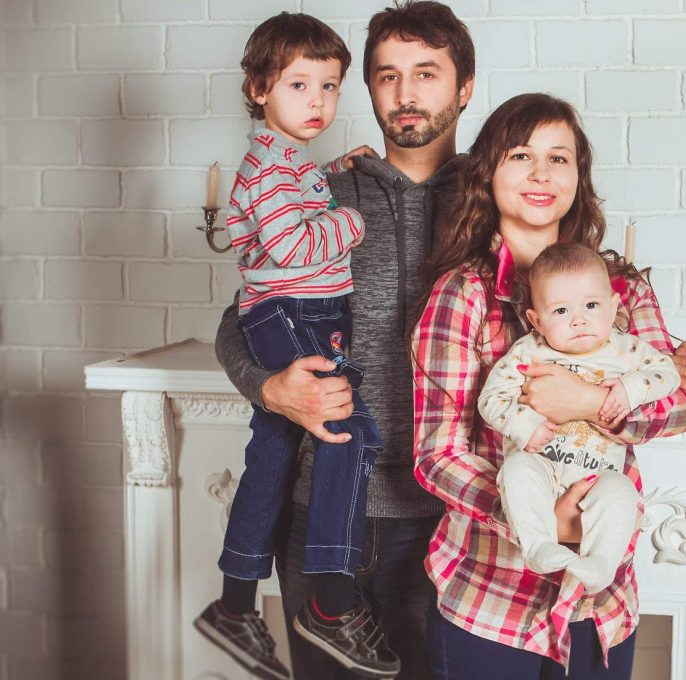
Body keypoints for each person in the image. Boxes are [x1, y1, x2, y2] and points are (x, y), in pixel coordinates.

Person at [214, 3, 477, 678]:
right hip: (322, 509)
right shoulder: (322, 189)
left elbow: (568, 308)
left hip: (449, 518)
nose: (406, 92)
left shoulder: (498, 197)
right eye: (387, 76)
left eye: (427, 73)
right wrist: (270, 388)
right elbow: (239, 319)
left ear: (465, 87)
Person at [412, 93, 686, 680]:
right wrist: (541, 518)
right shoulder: (462, 294)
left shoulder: (621, 289)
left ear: (579, 175)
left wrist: (594, 403)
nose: (542, 173)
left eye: (559, 157)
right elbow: (436, 454)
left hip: (603, 603)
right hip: (491, 593)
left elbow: (678, 404)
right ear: (488, 174)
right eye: (521, 155)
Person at [194, 12, 399, 680]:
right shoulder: (267, 168)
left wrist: (336, 170)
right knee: (351, 435)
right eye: (299, 85)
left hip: (297, 313)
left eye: (330, 87)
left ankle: (233, 603)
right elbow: (292, 243)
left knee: (274, 458)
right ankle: (331, 598)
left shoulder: (288, 163)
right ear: (258, 88)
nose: (318, 101)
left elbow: (294, 200)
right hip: (292, 317)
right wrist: (351, 220)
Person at [478, 242, 681, 595]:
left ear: (614, 306)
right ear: (536, 321)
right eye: (560, 310)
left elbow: (669, 374)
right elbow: (490, 399)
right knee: (517, 472)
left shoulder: (626, 350)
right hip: (542, 465)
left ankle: (601, 562)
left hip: (597, 473)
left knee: (621, 492)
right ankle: (539, 545)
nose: (579, 319)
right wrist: (525, 425)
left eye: (591, 305)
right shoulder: (529, 351)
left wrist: (631, 389)